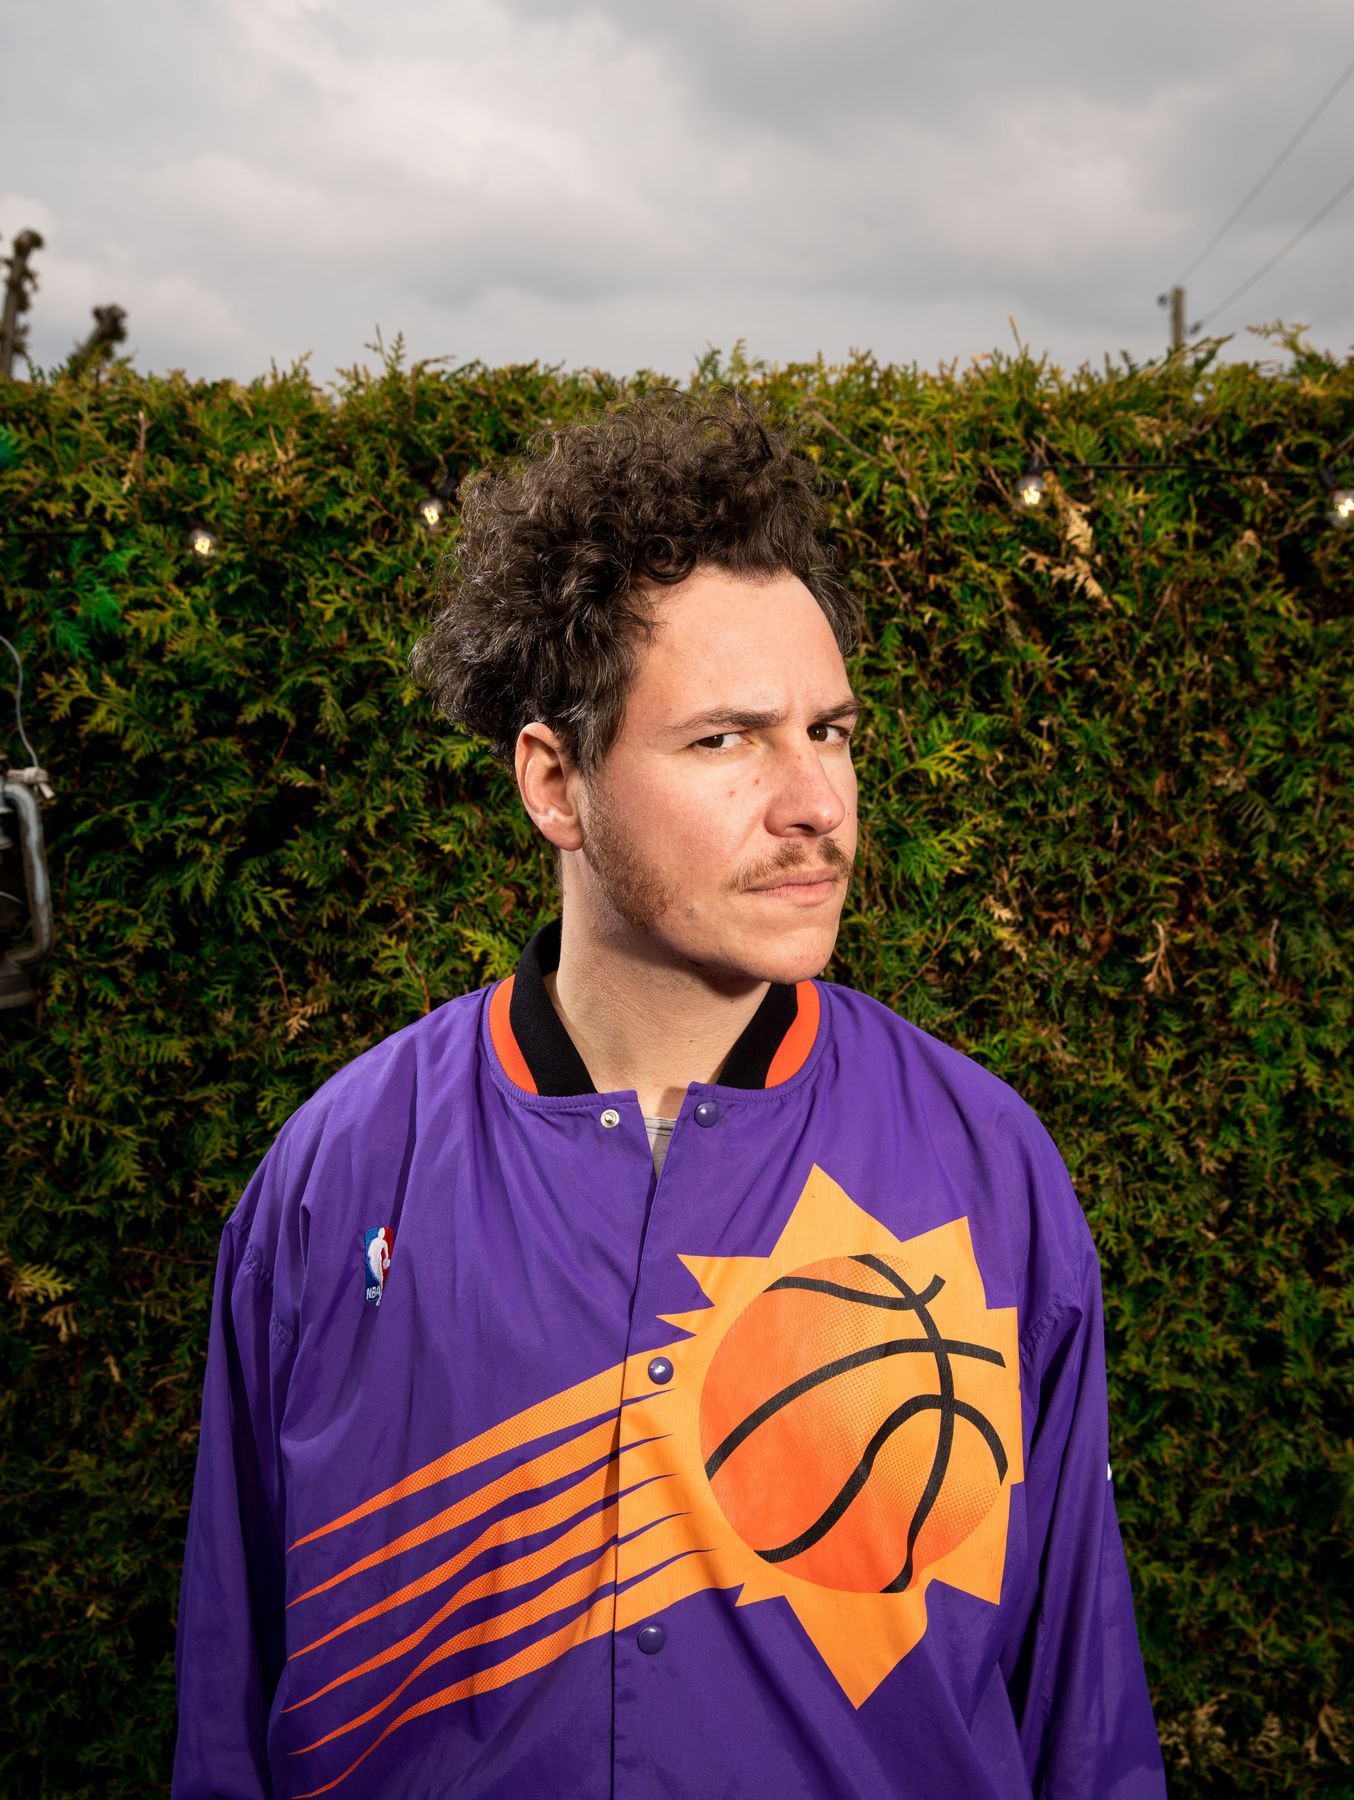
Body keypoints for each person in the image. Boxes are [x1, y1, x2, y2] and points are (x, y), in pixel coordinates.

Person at [172, 384, 1167, 1798]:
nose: (815, 801)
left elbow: (1084, 1713)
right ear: (554, 783)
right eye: (726, 739)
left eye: (831, 730)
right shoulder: (340, 1172)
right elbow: (229, 1701)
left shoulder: (982, 1163)